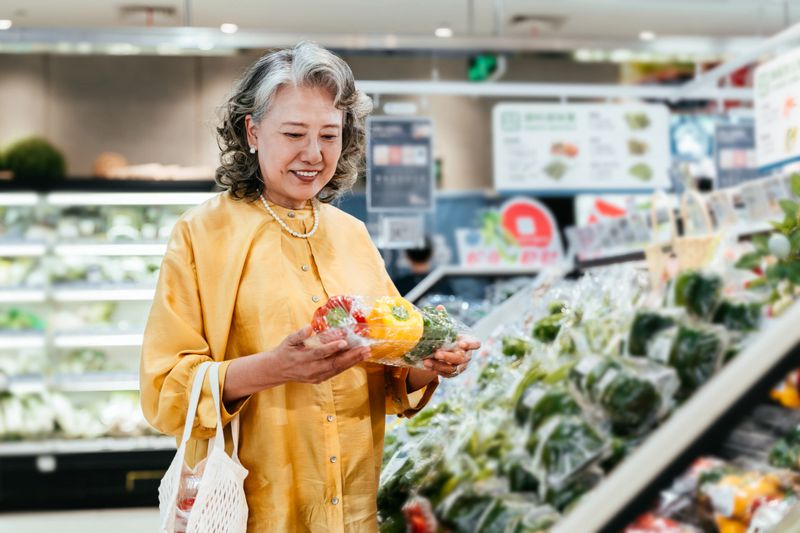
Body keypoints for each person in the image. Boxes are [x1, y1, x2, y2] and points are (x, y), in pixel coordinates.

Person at [139, 42, 479, 532]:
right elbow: (165, 391)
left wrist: (429, 365)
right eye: (294, 133)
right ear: (252, 132)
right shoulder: (202, 235)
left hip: (357, 506)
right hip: (255, 511)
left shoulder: (352, 234)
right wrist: (274, 368)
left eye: (329, 135)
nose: (314, 155)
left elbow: (389, 373)